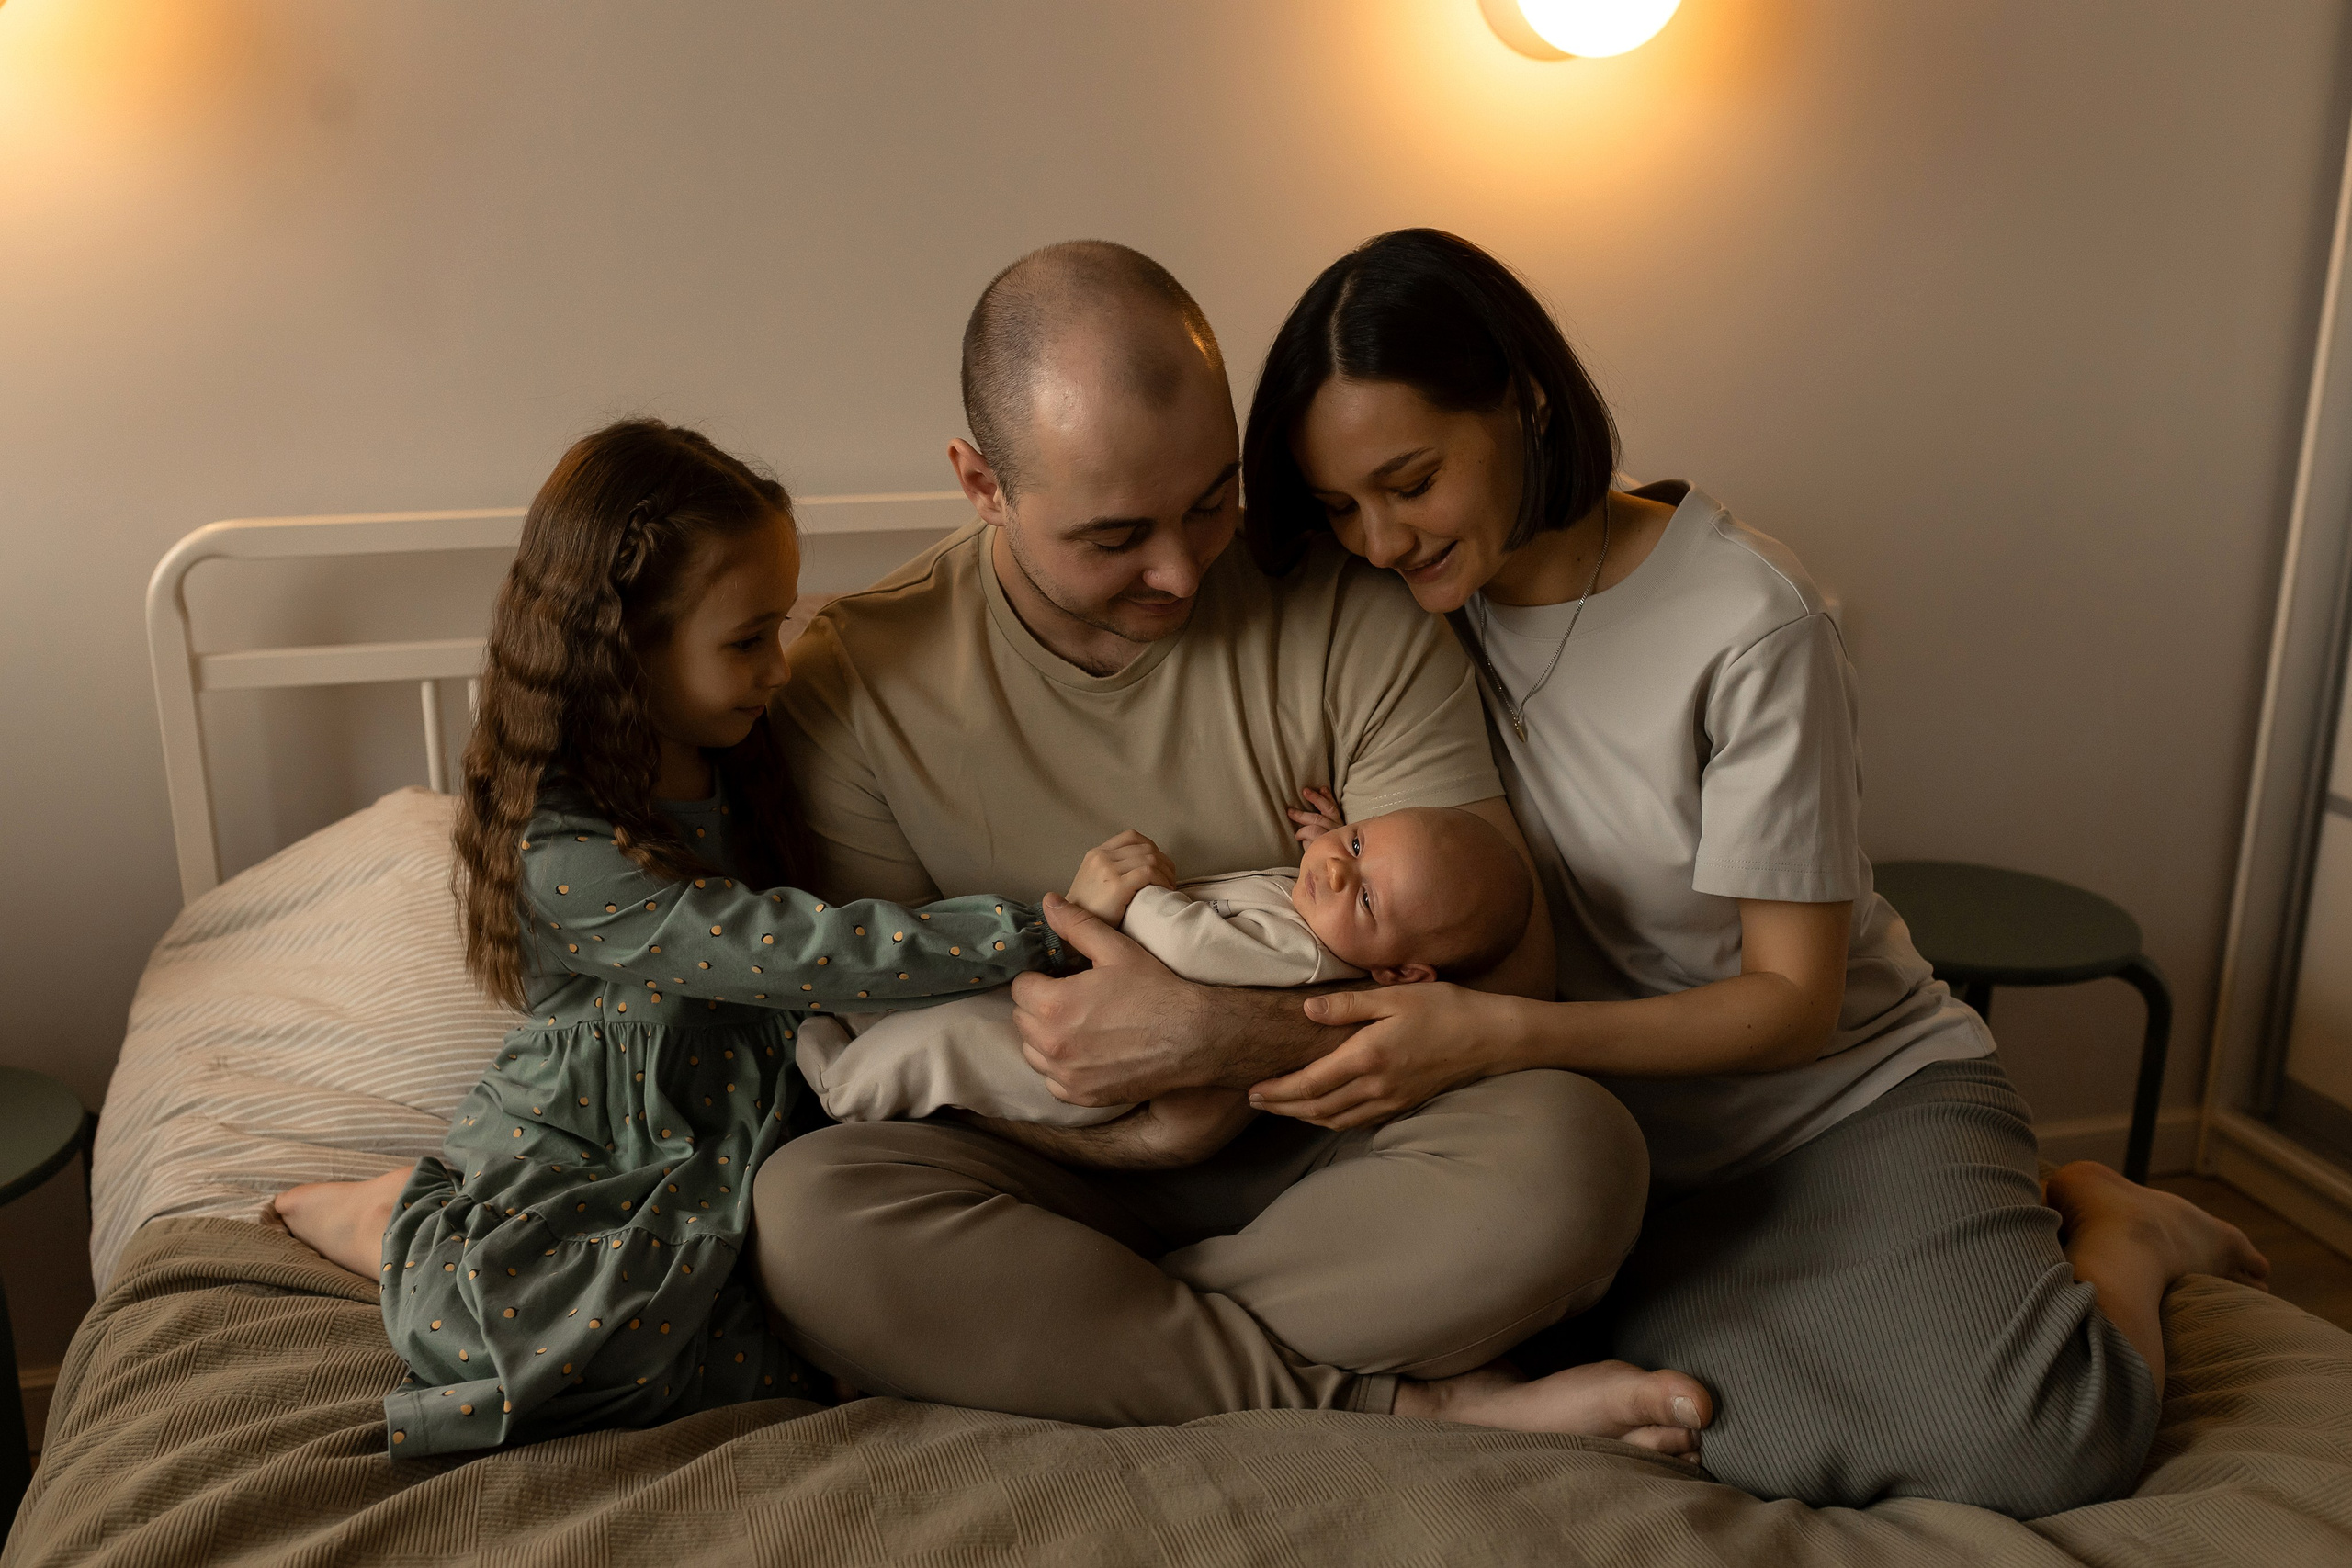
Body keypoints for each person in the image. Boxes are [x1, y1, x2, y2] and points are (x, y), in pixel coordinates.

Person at [1234, 226, 2271, 1515]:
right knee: (1688, 1418)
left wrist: (1497, 1034)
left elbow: (1793, 1001)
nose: (1381, 539)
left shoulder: (1747, 622)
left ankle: (2125, 1225)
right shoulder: (1411, 609)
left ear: (1524, 400)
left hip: (1843, 1096)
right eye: (1342, 507)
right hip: (1617, 1146)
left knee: (2040, 1444)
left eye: (1410, 481)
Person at [753, 240, 1709, 1448]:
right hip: (1049, 1169)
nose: (1179, 570)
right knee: (806, 1214)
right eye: (1114, 536)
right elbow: (881, 1051)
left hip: (1338, 1149)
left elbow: (1510, 974)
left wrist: (1220, 1042)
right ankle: (1404, 1397)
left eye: (1211, 501)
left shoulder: (1348, 599)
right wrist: (1132, 1130)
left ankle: (1095, 1339)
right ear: (982, 483)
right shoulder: (852, 681)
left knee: (1575, 1157)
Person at [273, 419, 1067, 1457]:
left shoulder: (747, 751)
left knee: (829, 1296)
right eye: (747, 640)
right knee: (548, 1339)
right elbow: (786, 945)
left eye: (780, 628)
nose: (778, 667)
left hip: (749, 1109)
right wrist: (1031, 928)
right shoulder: (560, 842)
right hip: (607, 1132)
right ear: (624, 648)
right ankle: (391, 1225)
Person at [797, 802, 1532, 1126]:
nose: (1338, 868)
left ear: (1399, 975)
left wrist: (1143, 895)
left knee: (955, 1045)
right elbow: (1325, 869)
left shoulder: (1306, 954)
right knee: (961, 1007)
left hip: (1086, 1063)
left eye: (1366, 897)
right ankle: (862, 1018)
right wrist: (1330, 837)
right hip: (1088, 999)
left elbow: (1192, 947)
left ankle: (842, 1086)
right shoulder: (1320, 907)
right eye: (1361, 843)